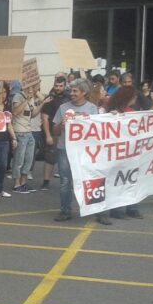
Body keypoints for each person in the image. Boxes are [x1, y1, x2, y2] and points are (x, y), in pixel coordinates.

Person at [52, 79, 107, 224]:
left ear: (84, 92)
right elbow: (55, 131)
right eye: (71, 91)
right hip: (65, 149)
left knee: (93, 179)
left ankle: (98, 211)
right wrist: (60, 124)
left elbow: (98, 130)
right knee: (65, 181)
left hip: (85, 151)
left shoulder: (92, 108)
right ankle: (65, 210)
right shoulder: (63, 108)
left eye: (75, 91)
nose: (72, 94)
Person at [106, 86, 143, 220]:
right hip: (118, 153)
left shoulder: (134, 112)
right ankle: (116, 209)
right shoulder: (112, 112)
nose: (135, 98)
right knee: (118, 181)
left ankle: (132, 208)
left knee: (133, 180)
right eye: (134, 96)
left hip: (132, 153)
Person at [10, 81, 42, 194]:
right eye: (32, 86)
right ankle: (16, 184)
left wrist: (43, 104)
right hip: (20, 132)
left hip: (29, 132)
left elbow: (32, 114)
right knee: (19, 160)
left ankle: (23, 183)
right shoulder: (18, 96)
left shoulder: (31, 98)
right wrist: (27, 100)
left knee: (28, 159)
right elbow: (15, 111)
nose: (34, 88)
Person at [39, 74, 68, 191]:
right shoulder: (50, 100)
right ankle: (46, 182)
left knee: (67, 159)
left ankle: (66, 182)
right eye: (56, 85)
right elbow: (44, 118)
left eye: (61, 86)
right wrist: (48, 135)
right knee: (50, 158)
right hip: (53, 132)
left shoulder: (69, 98)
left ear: (65, 86)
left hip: (68, 134)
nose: (58, 88)